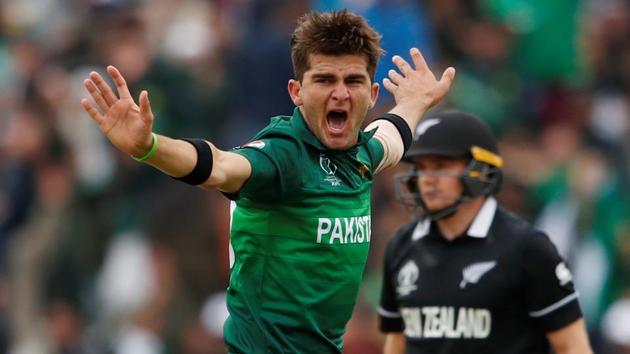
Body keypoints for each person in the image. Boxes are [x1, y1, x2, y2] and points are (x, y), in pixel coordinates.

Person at [80, 10, 455, 354]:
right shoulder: (282, 156)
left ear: (372, 95)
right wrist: (150, 147)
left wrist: (416, 101)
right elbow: (219, 167)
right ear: (297, 92)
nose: (340, 92)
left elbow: (391, 135)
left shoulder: (361, 154)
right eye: (324, 79)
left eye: (353, 81)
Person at [378, 111, 594, 354]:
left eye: (440, 166)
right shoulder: (401, 246)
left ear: (480, 170)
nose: (427, 180)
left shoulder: (528, 248)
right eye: (420, 168)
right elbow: (395, 344)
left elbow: (573, 347)